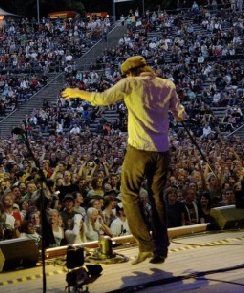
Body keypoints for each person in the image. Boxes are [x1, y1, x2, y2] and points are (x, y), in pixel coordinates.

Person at [62, 56, 188, 265]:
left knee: (128, 195)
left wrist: (77, 93)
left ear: (131, 72)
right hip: (163, 150)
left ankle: (146, 246)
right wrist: (179, 115)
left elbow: (101, 98)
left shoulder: (130, 83)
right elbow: (179, 111)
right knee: (157, 198)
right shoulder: (168, 84)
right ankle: (161, 248)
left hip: (139, 149)